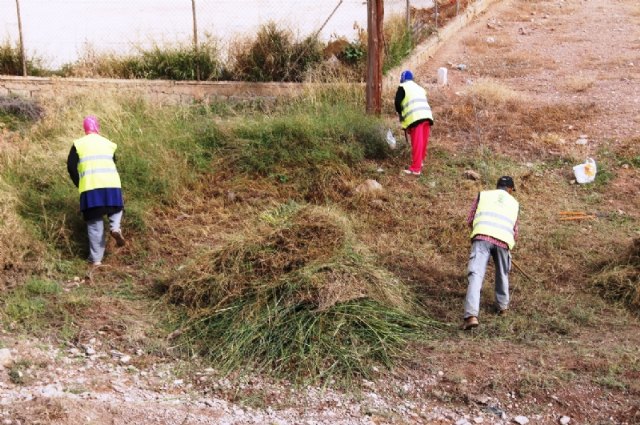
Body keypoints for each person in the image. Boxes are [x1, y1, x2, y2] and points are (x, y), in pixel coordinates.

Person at [67, 115, 126, 266]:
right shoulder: (109, 144)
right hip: (112, 184)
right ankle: (115, 227)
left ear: (85, 129)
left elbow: (71, 167)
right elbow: (113, 163)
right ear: (97, 128)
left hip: (91, 187)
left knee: (95, 224)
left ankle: (96, 259)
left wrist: (79, 183)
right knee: (116, 208)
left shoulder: (78, 144)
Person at [462, 176, 519, 330]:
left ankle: (471, 315)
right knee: (502, 273)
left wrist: (481, 231)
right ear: (510, 189)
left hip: (482, 237)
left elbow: (470, 220)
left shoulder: (483, 195)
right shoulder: (514, 203)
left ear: (497, 186)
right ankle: (502, 308)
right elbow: (515, 231)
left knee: (476, 274)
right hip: (503, 241)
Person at [394, 69, 434, 176]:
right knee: (423, 141)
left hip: (416, 117)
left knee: (417, 143)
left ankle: (415, 169)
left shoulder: (402, 87)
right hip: (427, 115)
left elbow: (397, 102)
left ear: (402, 79)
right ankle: (420, 162)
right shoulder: (419, 88)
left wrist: (400, 112)